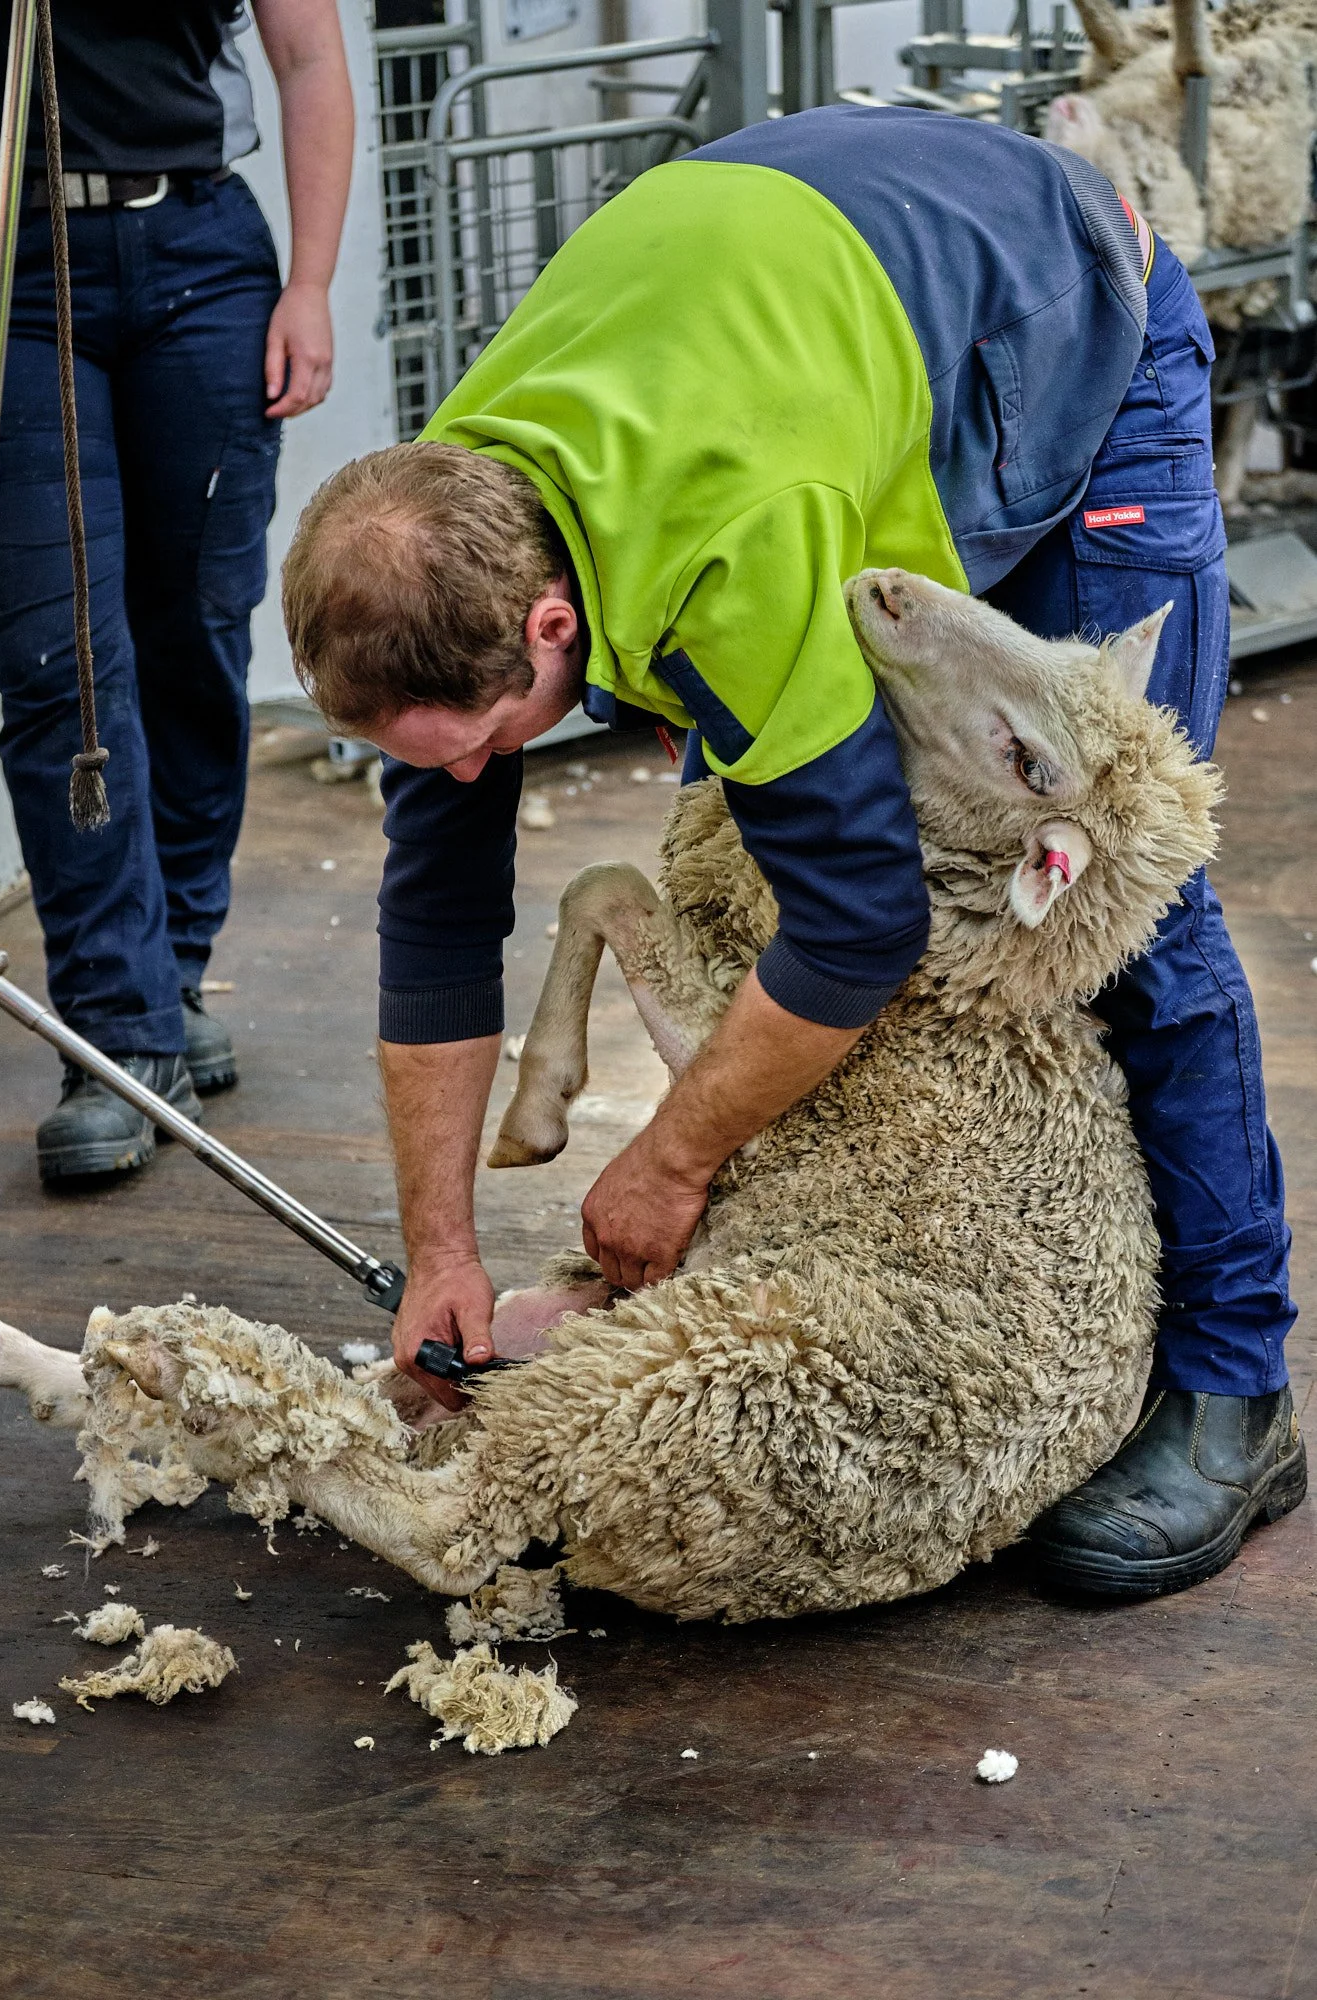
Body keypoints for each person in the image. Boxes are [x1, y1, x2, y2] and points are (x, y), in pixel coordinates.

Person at [281, 106, 1302, 1601]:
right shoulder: (447, 540)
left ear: (551, 625)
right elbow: (436, 909)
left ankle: (1235, 1387)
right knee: (743, 830)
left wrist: (668, 1159)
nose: (469, 777)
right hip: (815, 331)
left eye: (481, 742)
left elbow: (858, 930)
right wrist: (435, 1247)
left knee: (1121, 880)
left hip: (1061, 314)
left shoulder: (728, 547)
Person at [0, 0, 353, 1181]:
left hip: (198, 253)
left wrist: (310, 283)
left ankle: (171, 966)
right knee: (60, 663)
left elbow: (307, 56)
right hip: (16, 263)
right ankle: (117, 1037)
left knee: (194, 632)